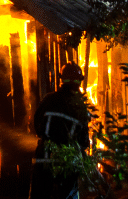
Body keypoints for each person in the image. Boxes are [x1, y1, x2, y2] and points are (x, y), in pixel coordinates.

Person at [30, 62, 91, 199]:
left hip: (44, 156)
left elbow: (36, 126)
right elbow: (84, 141)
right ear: (78, 82)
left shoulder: (48, 100)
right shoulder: (79, 106)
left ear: (62, 80)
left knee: (40, 194)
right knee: (68, 194)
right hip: (68, 160)